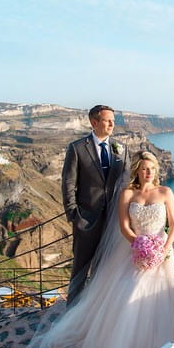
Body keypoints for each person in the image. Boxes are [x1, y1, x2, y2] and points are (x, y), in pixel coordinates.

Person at [44, 150, 174, 348]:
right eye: (144, 168)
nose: (148, 172)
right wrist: (139, 245)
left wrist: (162, 250)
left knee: (154, 303)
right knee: (127, 294)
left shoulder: (166, 192)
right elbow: (124, 225)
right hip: (133, 250)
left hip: (160, 253)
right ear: (137, 169)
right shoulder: (127, 193)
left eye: (152, 168)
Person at [61, 104, 131, 304]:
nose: (112, 124)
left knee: (106, 269)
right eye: (107, 120)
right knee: (80, 269)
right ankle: (72, 311)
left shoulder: (122, 149)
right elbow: (68, 183)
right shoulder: (77, 148)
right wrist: (74, 216)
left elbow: (128, 183)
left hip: (114, 223)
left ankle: (97, 310)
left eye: (113, 121)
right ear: (94, 122)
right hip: (86, 220)